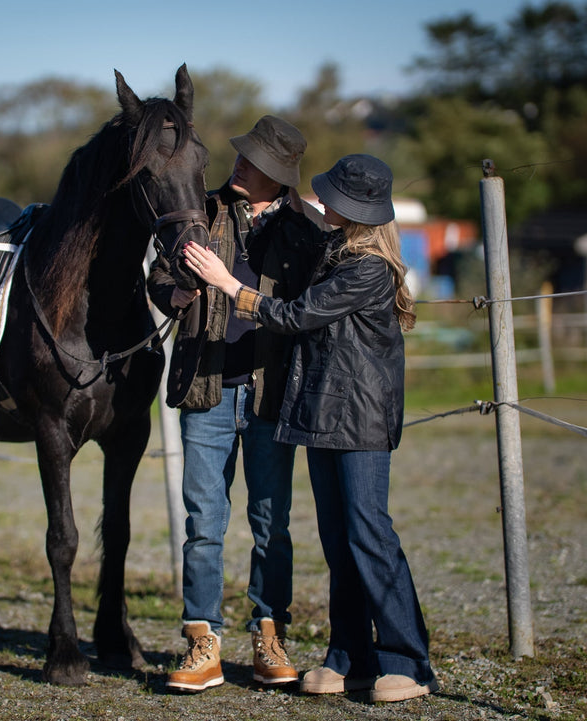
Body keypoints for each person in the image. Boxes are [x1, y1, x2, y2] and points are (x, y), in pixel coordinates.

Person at [182, 154, 438, 704]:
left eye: (333, 199)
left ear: (356, 211)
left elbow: (296, 315)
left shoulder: (368, 269)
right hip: (321, 415)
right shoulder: (333, 252)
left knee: (371, 535)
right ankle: (350, 659)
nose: (321, 203)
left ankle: (407, 660)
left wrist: (228, 284)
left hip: (359, 420)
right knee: (338, 542)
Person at [147, 116, 327, 692]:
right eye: (242, 156)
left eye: (253, 162)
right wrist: (175, 291)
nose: (239, 165)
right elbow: (157, 277)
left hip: (274, 393)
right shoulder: (200, 210)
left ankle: (268, 634)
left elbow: (312, 313)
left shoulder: (308, 230)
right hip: (207, 388)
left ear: (278, 175)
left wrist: (229, 284)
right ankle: (203, 641)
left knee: (272, 524)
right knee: (205, 523)